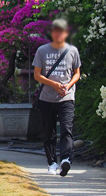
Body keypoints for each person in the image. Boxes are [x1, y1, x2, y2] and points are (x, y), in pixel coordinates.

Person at [32, 19, 81, 176]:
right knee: (48, 132)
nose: (58, 34)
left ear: (66, 33)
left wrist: (68, 86)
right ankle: (52, 163)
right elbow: (37, 75)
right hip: (47, 97)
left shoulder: (72, 51)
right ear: (52, 33)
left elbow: (77, 73)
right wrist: (53, 84)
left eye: (62, 31)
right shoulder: (42, 50)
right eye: (56, 31)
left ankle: (66, 159)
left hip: (67, 97)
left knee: (67, 129)